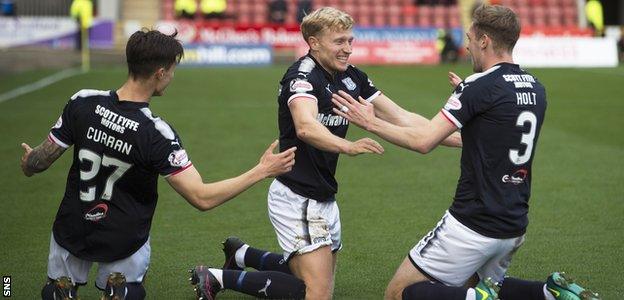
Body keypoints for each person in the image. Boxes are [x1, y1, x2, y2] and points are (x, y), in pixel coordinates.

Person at [332, 4, 601, 300]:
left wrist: (370, 122)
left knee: (399, 293)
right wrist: (472, 101)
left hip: (473, 222)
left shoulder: (479, 86)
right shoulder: (535, 87)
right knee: (471, 284)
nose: (468, 45)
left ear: (484, 40)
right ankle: (550, 293)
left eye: (470, 38)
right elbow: (493, 132)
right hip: (513, 221)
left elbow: (423, 141)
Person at [190, 7, 461, 300]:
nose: (347, 49)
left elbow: (403, 117)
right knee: (316, 293)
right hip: (296, 196)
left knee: (312, 278)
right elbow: (305, 126)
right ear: (314, 42)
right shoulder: (302, 76)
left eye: (350, 41)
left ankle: (242, 254)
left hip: (323, 195)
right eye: (339, 42)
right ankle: (217, 277)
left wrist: (462, 138)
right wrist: (349, 146)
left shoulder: (352, 77)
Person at [20, 29, 296, 300]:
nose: (172, 77)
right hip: (124, 239)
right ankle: (121, 291)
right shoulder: (156, 133)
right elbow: (201, 197)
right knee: (129, 292)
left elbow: (39, 161)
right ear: (160, 73)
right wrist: (262, 170)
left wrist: (29, 161)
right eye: (172, 70)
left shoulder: (83, 101)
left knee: (55, 289)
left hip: (72, 228)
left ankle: (61, 290)